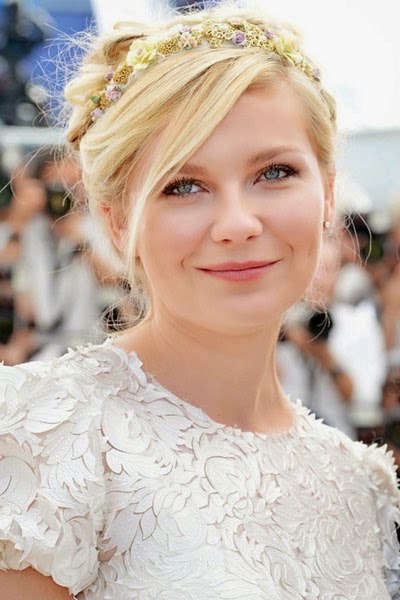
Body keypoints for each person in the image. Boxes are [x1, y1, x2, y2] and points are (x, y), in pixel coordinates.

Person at [0, 3, 399, 599]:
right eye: (183, 185)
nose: (237, 224)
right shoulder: (43, 436)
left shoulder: (363, 488)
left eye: (274, 173)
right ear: (118, 222)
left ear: (327, 191)